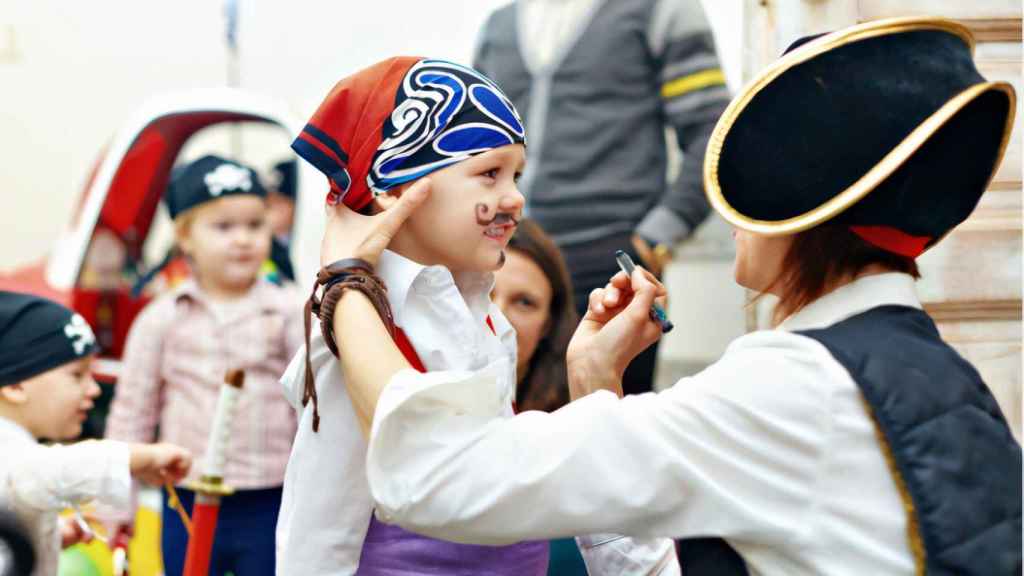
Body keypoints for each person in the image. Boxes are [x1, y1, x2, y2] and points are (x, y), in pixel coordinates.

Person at [313, 18, 1022, 575]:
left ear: (796, 199)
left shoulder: (791, 387)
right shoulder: (939, 375)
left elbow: (434, 475)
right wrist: (595, 381)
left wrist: (345, 283)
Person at [276, 56, 677, 575]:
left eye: (517, 175)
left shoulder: (484, 316)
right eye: (489, 174)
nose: (515, 198)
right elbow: (318, 528)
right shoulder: (356, 328)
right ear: (395, 188)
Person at [474, 0, 731, 395]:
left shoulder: (661, 10)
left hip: (611, 264)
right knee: (496, 407)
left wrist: (655, 238)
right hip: (509, 263)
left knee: (608, 417)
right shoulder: (498, 26)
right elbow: (476, 145)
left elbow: (714, 135)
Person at [104, 155, 303, 576]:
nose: (243, 239)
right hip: (186, 498)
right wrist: (117, 505)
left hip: (270, 498)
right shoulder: (162, 318)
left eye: (255, 225)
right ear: (184, 236)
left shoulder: (289, 311)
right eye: (224, 227)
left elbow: (311, 407)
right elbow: (131, 416)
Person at [0, 291, 191, 576]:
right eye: (77, 375)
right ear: (15, 386)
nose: (94, 389)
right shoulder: (10, 450)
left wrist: (51, 536)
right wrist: (140, 457)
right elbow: (46, 471)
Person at [493, 218, 577, 413]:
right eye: (482, 292)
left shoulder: (570, 416)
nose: (498, 316)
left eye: (524, 302)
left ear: (548, 325)